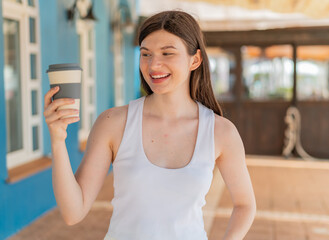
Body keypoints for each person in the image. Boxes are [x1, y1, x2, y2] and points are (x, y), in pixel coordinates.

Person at [43, 10, 256, 240]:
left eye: (167, 53)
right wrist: (57, 140)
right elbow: (73, 213)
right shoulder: (113, 123)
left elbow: (245, 205)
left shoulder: (221, 132)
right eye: (146, 54)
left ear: (195, 60)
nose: (154, 64)